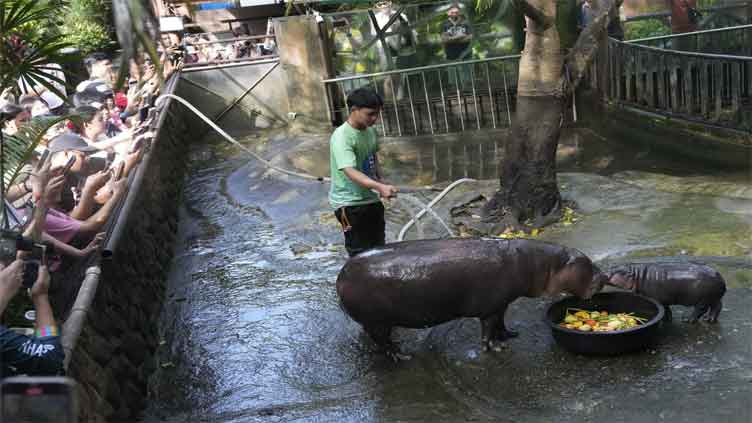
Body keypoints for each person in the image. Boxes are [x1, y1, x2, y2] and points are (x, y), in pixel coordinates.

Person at [330, 88, 397, 257]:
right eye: (370, 114)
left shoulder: (369, 131)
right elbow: (350, 171)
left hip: (370, 199)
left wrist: (382, 183)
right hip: (349, 204)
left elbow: (372, 157)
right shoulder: (342, 136)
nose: (375, 119)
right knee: (360, 254)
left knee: (378, 249)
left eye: (377, 114)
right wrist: (378, 186)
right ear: (354, 110)